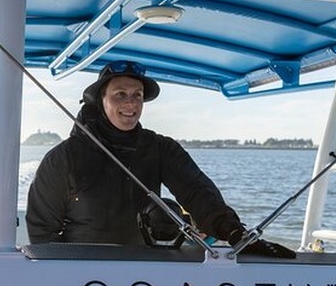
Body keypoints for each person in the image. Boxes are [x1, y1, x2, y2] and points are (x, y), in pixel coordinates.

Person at [25, 59, 295, 258]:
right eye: (120, 95)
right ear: (100, 101)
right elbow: (42, 232)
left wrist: (237, 234)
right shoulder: (63, 157)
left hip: (146, 270)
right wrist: (60, 272)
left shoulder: (159, 148)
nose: (130, 104)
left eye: (137, 96)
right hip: (82, 272)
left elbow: (199, 193)